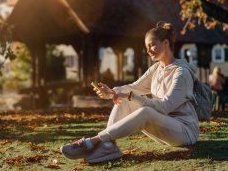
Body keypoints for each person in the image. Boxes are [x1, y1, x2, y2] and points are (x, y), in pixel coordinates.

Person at [60, 22, 199, 164]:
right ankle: (109, 146)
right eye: (147, 47)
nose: (149, 50)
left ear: (166, 43)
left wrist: (131, 96)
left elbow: (165, 107)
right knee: (125, 101)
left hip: (184, 132)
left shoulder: (182, 73)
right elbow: (134, 87)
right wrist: (113, 93)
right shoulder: (156, 69)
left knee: (144, 110)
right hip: (164, 129)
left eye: (152, 45)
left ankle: (95, 141)